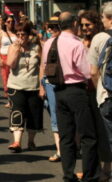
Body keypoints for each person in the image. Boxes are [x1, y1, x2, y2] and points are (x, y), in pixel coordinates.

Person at [41, 11, 99, 182]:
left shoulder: (50, 42)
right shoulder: (77, 44)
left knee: (66, 136)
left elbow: (46, 66)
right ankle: (90, 175)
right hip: (77, 90)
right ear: (74, 23)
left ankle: (68, 174)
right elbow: (86, 71)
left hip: (58, 90)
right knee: (88, 135)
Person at [6, 20, 42, 152]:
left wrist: (42, 85)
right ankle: (17, 142)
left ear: (29, 35)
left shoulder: (36, 47)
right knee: (17, 112)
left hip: (33, 86)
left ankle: (31, 141)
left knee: (33, 114)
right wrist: (16, 50)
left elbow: (42, 65)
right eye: (18, 34)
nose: (21, 37)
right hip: (16, 85)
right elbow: (11, 64)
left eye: (23, 34)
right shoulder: (13, 47)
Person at [90, 4, 112, 181]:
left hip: (108, 96)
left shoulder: (101, 38)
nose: (102, 21)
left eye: (103, 18)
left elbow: (93, 71)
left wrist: (101, 91)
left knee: (109, 137)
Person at [39, 15, 63, 162]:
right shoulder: (48, 43)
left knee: (63, 116)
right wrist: (41, 86)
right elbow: (43, 65)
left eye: (54, 26)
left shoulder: (72, 42)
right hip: (50, 83)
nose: (50, 29)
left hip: (66, 84)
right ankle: (60, 150)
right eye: (49, 26)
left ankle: (68, 147)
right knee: (54, 116)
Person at [0, 15, 16, 102]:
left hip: (14, 57)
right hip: (4, 57)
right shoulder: (1, 32)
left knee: (14, 77)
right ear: (5, 23)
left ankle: (14, 97)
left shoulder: (16, 33)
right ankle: (9, 99)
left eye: (12, 21)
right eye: (8, 21)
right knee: (5, 78)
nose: (10, 23)